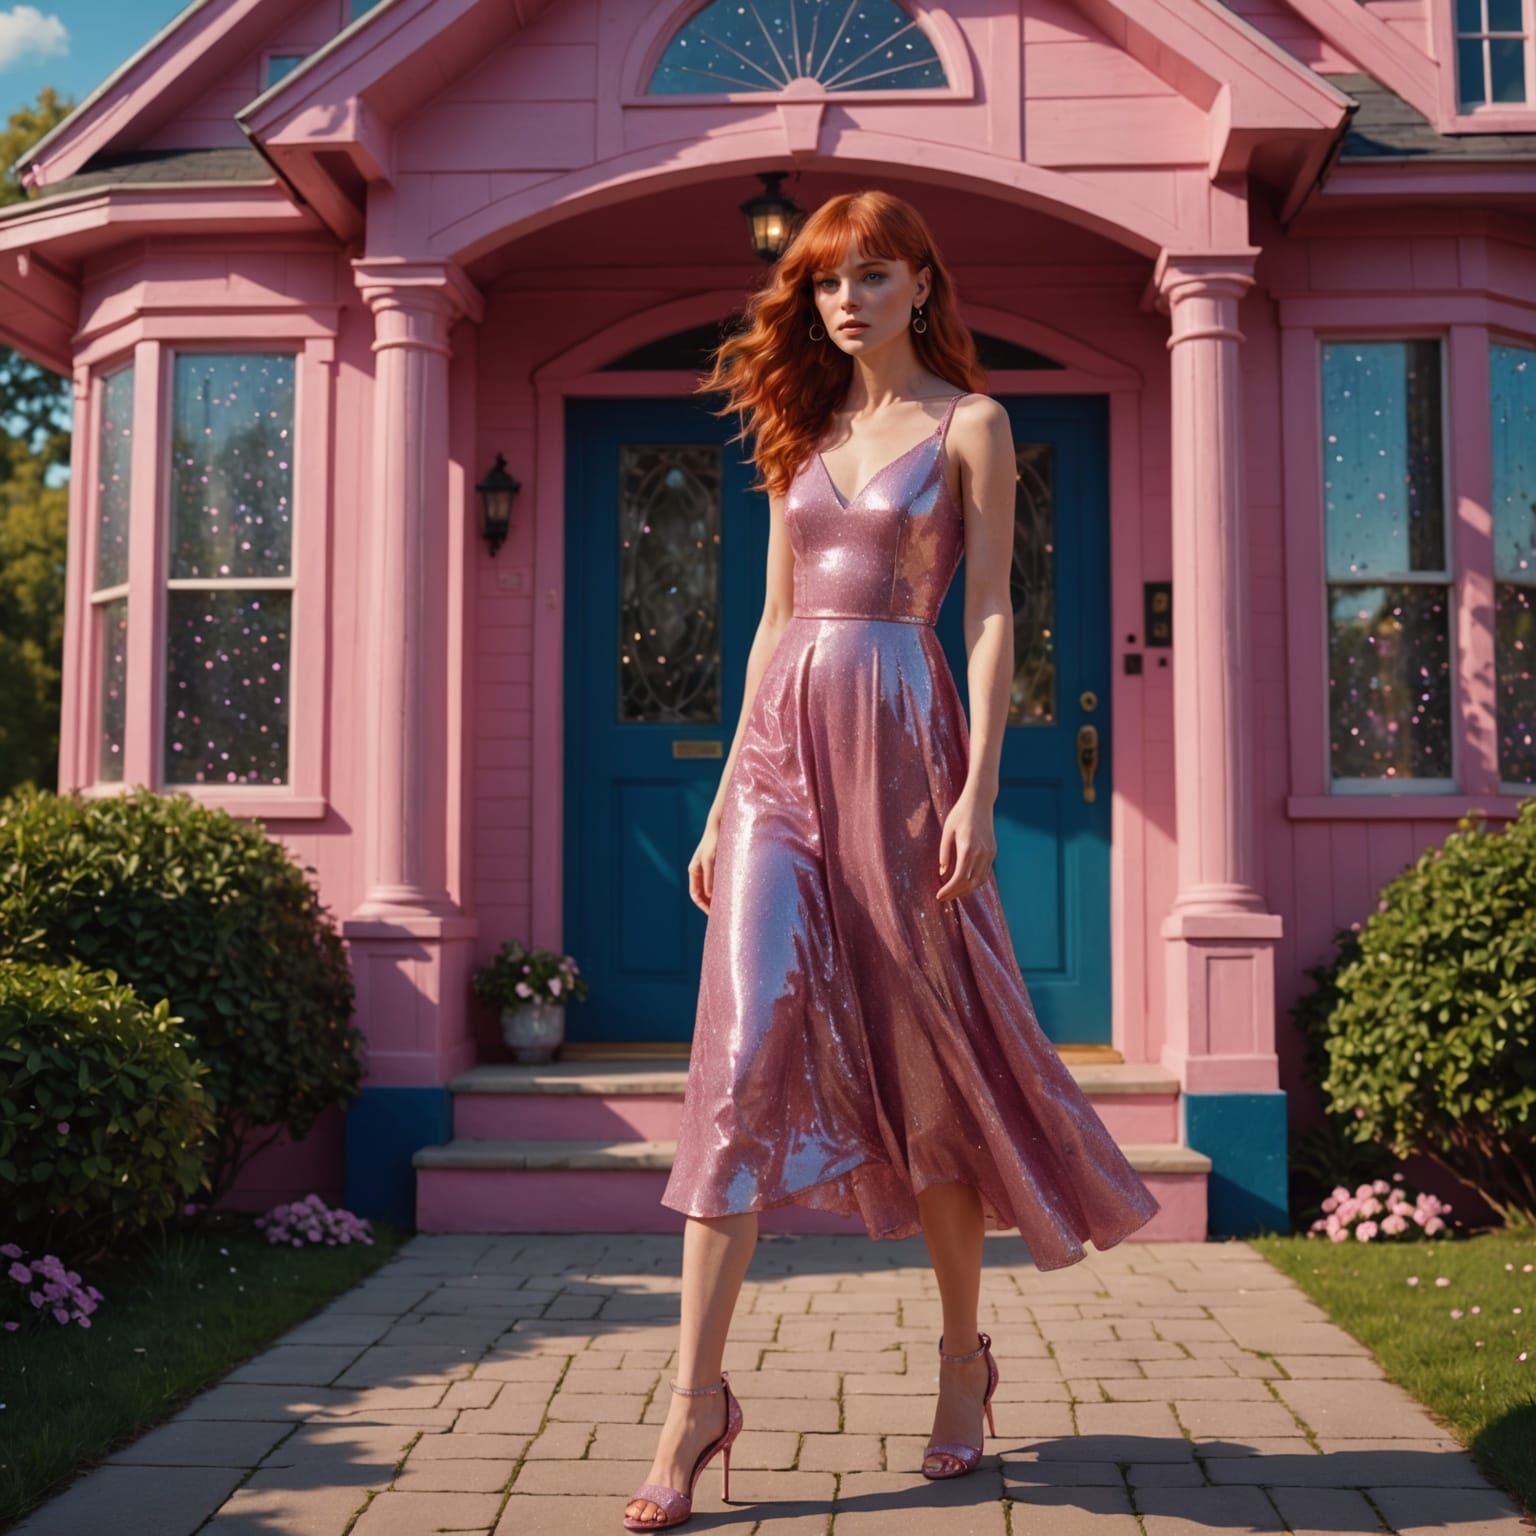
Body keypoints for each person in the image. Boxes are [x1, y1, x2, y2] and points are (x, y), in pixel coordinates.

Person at [621, 189, 1160, 1532]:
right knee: (742, 1059)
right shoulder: (799, 434)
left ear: (922, 282)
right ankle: (693, 1402)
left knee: (935, 1054)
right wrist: (718, 803)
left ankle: (963, 1365)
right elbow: (769, 620)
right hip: (778, 765)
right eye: (824, 283)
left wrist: (980, 785)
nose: (845, 300)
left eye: (870, 275)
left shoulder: (972, 423)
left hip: (907, 751)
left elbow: (986, 618)